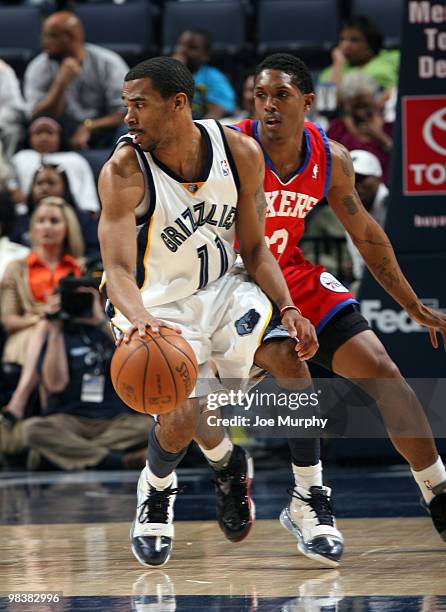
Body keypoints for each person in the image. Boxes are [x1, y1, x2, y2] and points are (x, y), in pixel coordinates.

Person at [98, 57, 319, 567]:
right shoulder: (124, 171)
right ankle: (158, 492)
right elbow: (117, 270)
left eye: (139, 105)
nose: (128, 116)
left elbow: (258, 248)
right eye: (126, 104)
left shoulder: (238, 151)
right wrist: (142, 320)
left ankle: (310, 498)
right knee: (180, 416)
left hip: (222, 284)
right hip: (152, 298)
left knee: (290, 359)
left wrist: (287, 306)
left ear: (179, 104)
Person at [234, 53, 446, 564]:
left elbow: (369, 238)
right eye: (261, 96)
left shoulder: (332, 159)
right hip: (234, 280)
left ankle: (438, 492)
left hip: (291, 271)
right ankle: (306, 498)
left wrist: (412, 304)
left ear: (308, 101)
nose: (269, 106)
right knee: (291, 365)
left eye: (281, 95)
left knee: (383, 370)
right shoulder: (229, 146)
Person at [12, 284, 150, 471]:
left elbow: (134, 362)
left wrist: (101, 320)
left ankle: (66, 454)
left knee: (149, 426)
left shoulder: (107, 331)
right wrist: (54, 330)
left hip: (114, 420)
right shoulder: (58, 334)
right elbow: (55, 384)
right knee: (32, 429)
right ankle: (117, 461)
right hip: (69, 420)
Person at [1, 197, 83, 421]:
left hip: (71, 331)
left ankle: (21, 401)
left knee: (51, 327)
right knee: (47, 326)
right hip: (26, 334)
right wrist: (41, 318)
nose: (46, 226)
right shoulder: (16, 268)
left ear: (67, 227)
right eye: (41, 221)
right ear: (33, 226)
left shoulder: (80, 268)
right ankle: (50, 414)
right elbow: (8, 321)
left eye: (54, 221)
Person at [23, 11, 128, 150]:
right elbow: (36, 116)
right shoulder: (39, 67)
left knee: (129, 130)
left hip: (104, 133)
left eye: (51, 36)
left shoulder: (108, 63)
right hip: (59, 138)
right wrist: (60, 84)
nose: (44, 42)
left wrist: (88, 127)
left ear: (72, 37)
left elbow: (126, 111)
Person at [12, 116, 100, 214]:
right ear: (29, 137)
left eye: (49, 132)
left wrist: (89, 211)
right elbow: (11, 184)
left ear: (60, 136)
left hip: (71, 214)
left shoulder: (75, 159)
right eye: (38, 132)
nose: (44, 137)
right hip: (27, 214)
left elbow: (87, 193)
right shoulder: (20, 158)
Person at [326, 73, 393, 184]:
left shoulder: (390, 128)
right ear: (347, 106)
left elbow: (403, 164)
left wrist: (382, 138)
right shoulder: (337, 129)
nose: (361, 113)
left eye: (365, 105)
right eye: (355, 107)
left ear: (375, 101)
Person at [318, 16, 400, 100]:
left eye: (354, 40)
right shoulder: (331, 72)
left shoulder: (393, 57)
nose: (345, 45)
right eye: (342, 39)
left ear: (370, 43)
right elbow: (326, 103)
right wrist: (338, 64)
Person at [172, 29, 236, 119]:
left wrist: (197, 132)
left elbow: (218, 111)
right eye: (180, 44)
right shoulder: (164, 75)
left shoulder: (214, 78)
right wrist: (174, 71)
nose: (183, 50)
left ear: (205, 55)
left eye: (192, 47)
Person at [347, 149, 388, 285]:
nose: (356, 185)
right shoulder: (346, 206)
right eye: (350, 179)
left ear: (378, 177)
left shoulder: (392, 204)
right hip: (365, 282)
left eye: (361, 178)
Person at [0, 59, 25, 158]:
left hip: (2, 123)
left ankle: (7, 170)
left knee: (13, 131)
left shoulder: (3, 71)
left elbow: (13, 106)